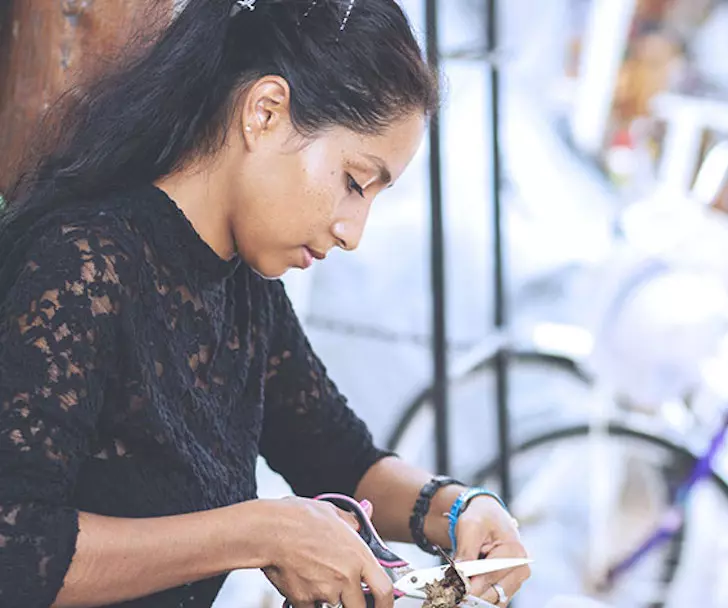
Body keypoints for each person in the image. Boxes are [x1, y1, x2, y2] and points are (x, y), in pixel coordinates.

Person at [0, 1, 529, 607]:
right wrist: (258, 532)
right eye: (355, 182)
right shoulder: (84, 263)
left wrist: (459, 508)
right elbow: (15, 544)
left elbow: (341, 460)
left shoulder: (244, 290)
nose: (353, 231)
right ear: (266, 112)